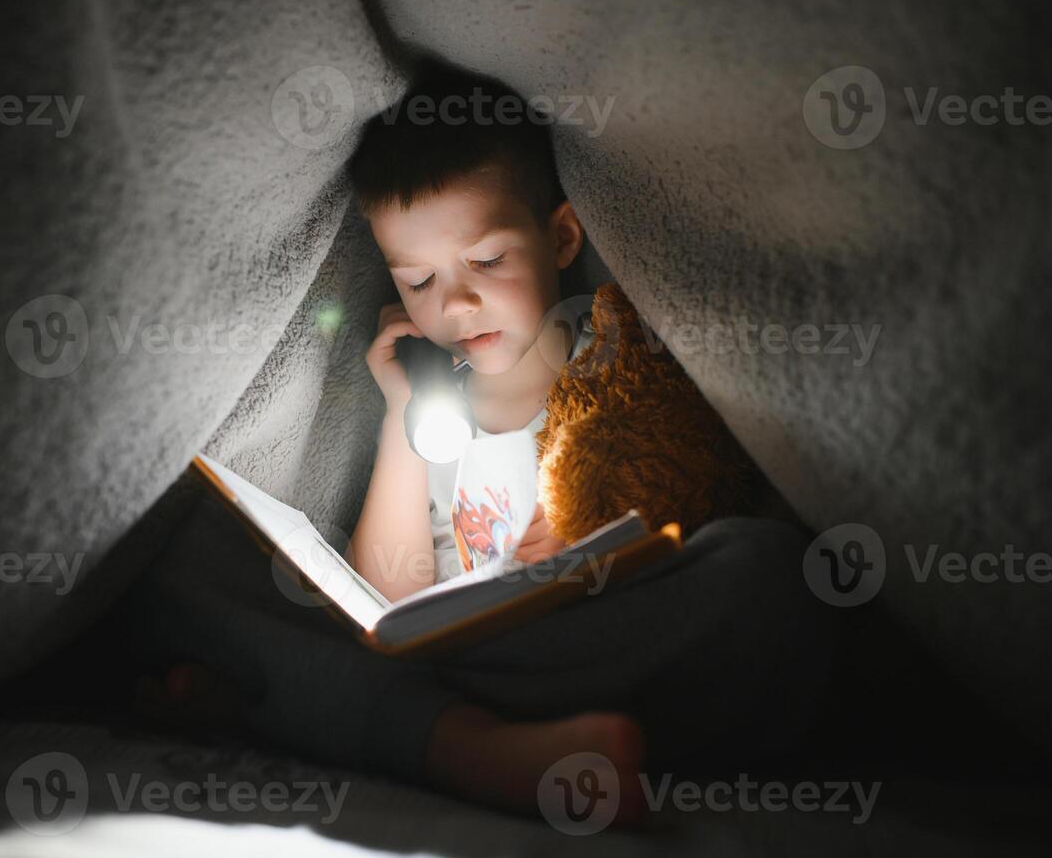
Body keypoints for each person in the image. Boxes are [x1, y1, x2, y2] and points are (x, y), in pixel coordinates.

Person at [127, 59, 835, 827]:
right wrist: (403, 414)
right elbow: (387, 602)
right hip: (454, 665)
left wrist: (588, 548)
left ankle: (347, 724)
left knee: (767, 574)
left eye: (488, 261)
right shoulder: (435, 408)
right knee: (189, 542)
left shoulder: (613, 355)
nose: (456, 302)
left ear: (560, 236)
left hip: (579, 645)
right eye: (417, 281)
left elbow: (677, 484)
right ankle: (470, 748)